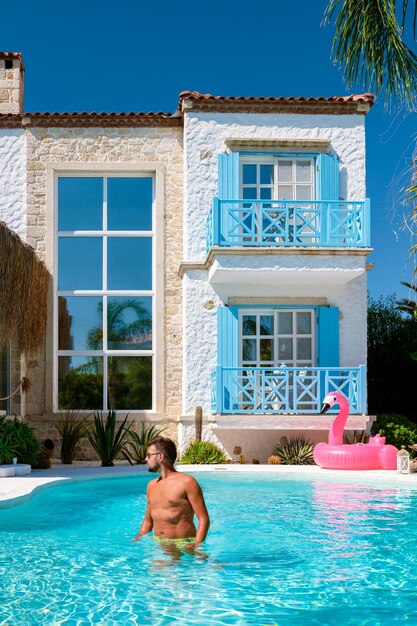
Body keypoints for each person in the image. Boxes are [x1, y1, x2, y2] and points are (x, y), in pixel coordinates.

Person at [132, 436, 210, 549]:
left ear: (160, 456)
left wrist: (196, 544)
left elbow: (204, 519)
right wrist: (138, 538)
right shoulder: (151, 485)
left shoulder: (187, 482)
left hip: (184, 544)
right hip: (160, 543)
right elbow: (148, 521)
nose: (145, 459)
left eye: (149, 455)